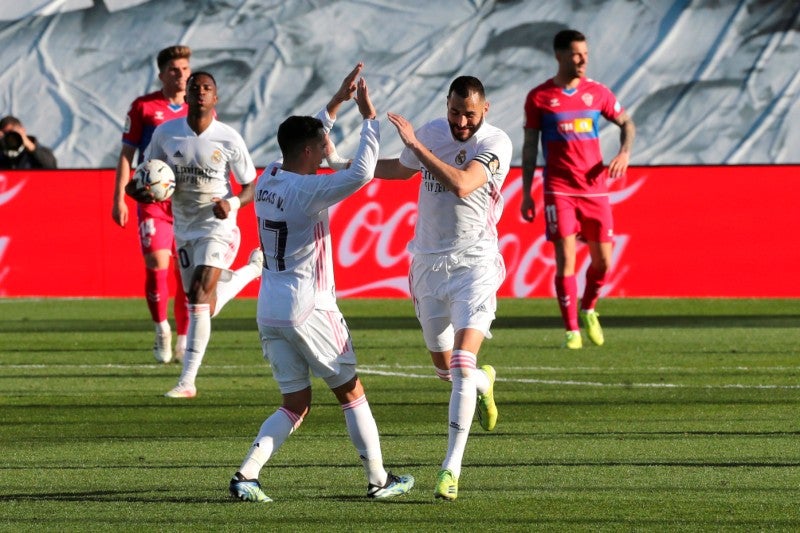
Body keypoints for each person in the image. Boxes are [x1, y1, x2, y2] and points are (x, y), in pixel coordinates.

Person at [229, 64, 414, 503]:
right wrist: (368, 118)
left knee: (296, 402)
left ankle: (247, 475)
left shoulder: (272, 174)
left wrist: (335, 102)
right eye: (324, 144)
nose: (329, 147)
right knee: (350, 391)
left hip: (269, 306)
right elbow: (362, 173)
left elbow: (312, 134)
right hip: (309, 306)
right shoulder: (306, 192)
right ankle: (379, 480)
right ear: (311, 151)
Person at [374, 76, 511, 501]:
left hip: (476, 264)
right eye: (455, 112)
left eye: (470, 113)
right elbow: (399, 171)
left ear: (484, 109)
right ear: (446, 105)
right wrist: (342, 162)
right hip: (428, 265)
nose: (462, 122)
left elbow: (463, 183)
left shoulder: (497, 142)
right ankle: (485, 386)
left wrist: (417, 147)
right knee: (445, 368)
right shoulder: (433, 132)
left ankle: (450, 469)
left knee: (461, 366)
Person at [131, 71, 262, 398]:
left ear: (215, 98)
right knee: (202, 302)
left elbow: (250, 186)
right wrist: (142, 192)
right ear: (186, 97)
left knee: (201, 295)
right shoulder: (166, 134)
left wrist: (230, 204)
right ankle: (251, 271)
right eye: (195, 88)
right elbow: (142, 179)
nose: (200, 92)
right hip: (185, 227)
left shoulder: (228, 138)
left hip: (219, 226)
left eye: (207, 88)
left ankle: (187, 381)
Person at [520, 29, 636, 349]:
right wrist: (528, 191)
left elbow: (627, 123)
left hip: (595, 189)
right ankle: (571, 329)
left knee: (603, 263)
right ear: (559, 56)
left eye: (585, 53)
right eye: (576, 53)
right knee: (566, 259)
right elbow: (530, 147)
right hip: (559, 189)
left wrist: (624, 153)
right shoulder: (539, 97)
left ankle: (588, 309)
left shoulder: (597, 93)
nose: (583, 59)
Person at [111, 45, 192, 364]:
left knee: (185, 273)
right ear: (161, 74)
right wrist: (119, 197)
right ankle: (162, 330)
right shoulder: (144, 108)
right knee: (157, 265)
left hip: (187, 201)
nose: (182, 75)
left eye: (185, 69)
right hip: (152, 200)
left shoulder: (200, 108)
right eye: (175, 70)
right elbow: (126, 155)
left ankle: (185, 339)